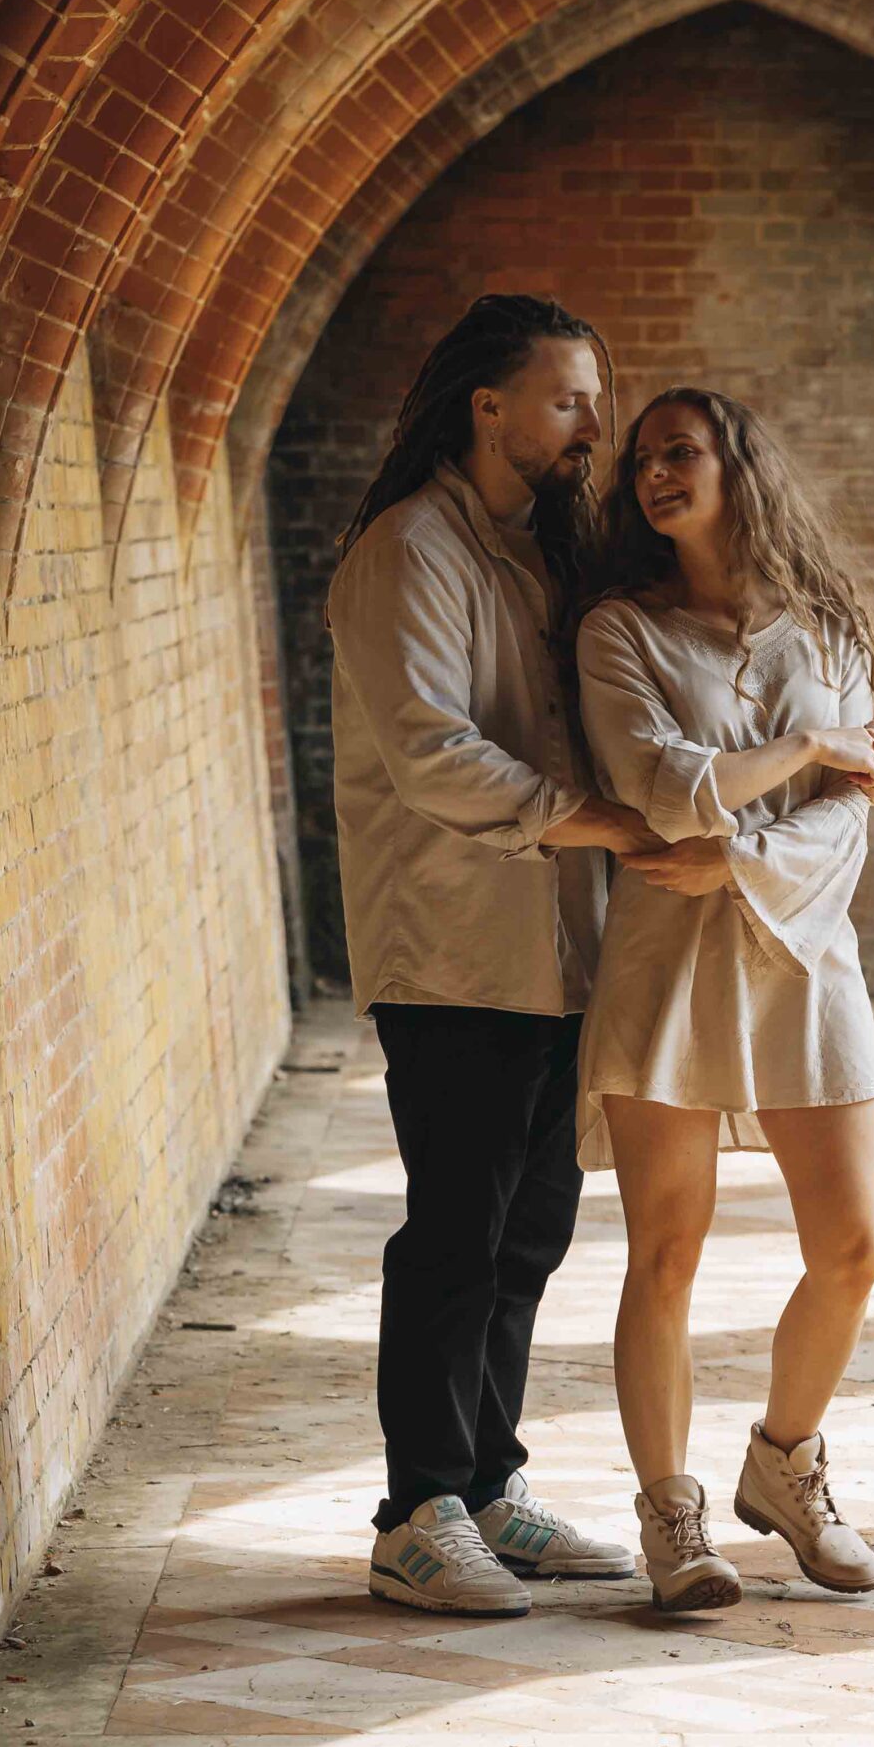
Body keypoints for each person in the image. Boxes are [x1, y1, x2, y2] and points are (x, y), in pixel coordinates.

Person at [325, 295, 658, 1617]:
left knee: (532, 1228)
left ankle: (489, 1486)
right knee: (456, 1232)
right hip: (453, 952)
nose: (593, 426)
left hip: (561, 947)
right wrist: (602, 823)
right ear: (489, 406)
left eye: (594, 399)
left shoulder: (539, 555)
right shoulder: (411, 552)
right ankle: (417, 1512)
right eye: (569, 398)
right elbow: (432, 754)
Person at [574, 388, 874, 1612]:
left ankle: (785, 1465)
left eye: (683, 450)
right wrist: (812, 754)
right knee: (665, 1251)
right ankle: (672, 1516)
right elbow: (660, 788)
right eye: (642, 459)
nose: (657, 471)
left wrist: (741, 855)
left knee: (853, 1247)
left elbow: (852, 809)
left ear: (736, 467)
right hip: (664, 966)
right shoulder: (617, 630)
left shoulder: (827, 632)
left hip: (806, 958)